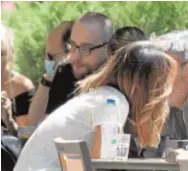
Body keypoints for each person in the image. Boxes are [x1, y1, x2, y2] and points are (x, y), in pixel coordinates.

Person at [14, 41, 177, 171]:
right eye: (161, 85)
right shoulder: (112, 104)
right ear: (139, 85)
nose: (165, 94)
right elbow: (103, 165)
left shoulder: (103, 98)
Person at [27, 12, 114, 126]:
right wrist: (49, 76)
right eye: (72, 46)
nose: (75, 57)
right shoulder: (65, 72)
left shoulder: (120, 79)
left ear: (109, 48)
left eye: (86, 48)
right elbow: (33, 123)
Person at [27, 21, 74, 125]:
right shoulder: (55, 76)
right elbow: (33, 121)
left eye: (51, 56)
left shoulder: (70, 74)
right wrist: (48, 78)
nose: (48, 61)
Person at [1, 23, 35, 131]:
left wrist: (9, 120)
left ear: (11, 52)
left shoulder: (21, 86)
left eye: (1, 53)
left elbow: (28, 139)